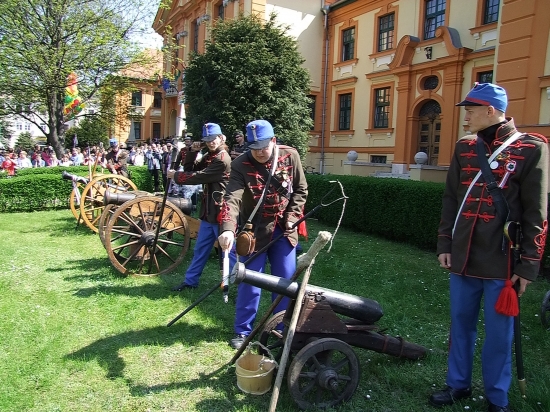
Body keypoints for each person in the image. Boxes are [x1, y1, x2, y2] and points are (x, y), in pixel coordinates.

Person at [429, 83, 548, 412]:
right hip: (463, 255)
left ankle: (497, 397)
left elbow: (537, 212)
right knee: (460, 325)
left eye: (470, 110)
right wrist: (444, 243)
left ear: (491, 111)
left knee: (499, 335)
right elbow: (451, 199)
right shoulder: (465, 147)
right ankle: (458, 384)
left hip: (503, 260)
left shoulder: (532, 148)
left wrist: (528, 265)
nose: (465, 117)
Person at [217, 119, 308, 350]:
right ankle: (243, 331)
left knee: (285, 282)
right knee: (249, 281)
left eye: (264, 147)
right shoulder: (240, 164)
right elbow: (231, 199)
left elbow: (300, 189)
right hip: (254, 232)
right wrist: (227, 229)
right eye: (254, 147)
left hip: (284, 230)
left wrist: (292, 216)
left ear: (274, 141)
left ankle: (280, 329)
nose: (259, 152)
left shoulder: (290, 156)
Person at [169, 123, 232, 291]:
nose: (211, 142)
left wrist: (176, 176)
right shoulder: (210, 156)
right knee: (200, 250)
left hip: (221, 213)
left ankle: (231, 284)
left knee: (227, 252)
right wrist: (193, 151)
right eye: (207, 139)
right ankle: (190, 281)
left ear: (221, 138)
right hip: (208, 212)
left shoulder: (222, 159)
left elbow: (200, 176)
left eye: (213, 139)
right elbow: (190, 168)